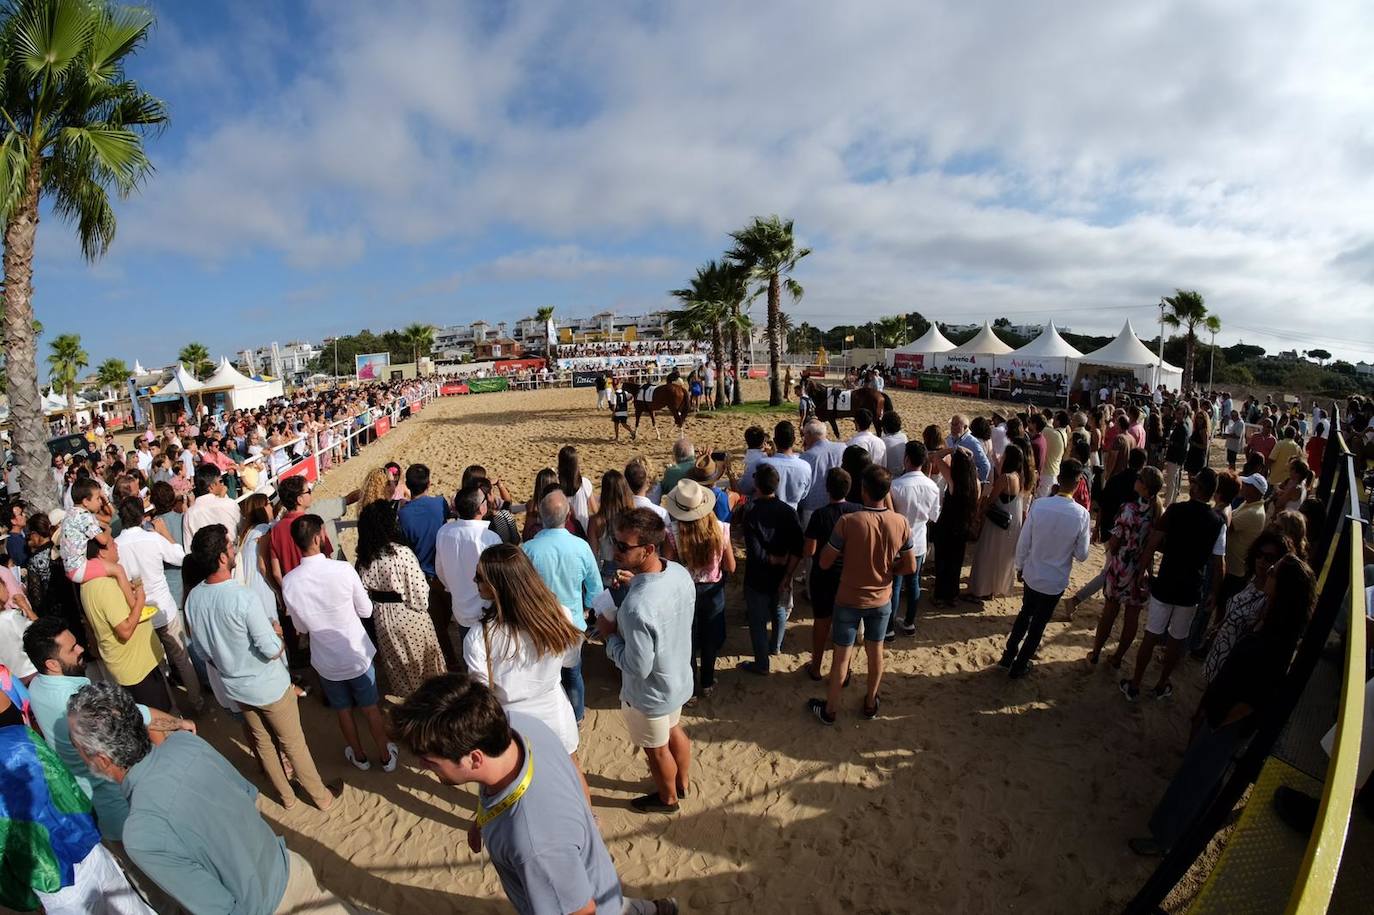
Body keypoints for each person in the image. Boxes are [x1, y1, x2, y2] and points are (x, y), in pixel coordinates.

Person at [391, 675, 678, 915]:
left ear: (474, 759)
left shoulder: (534, 843)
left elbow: (581, 912)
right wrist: (482, 821)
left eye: (430, 760)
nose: (422, 766)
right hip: (594, 880)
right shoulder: (517, 726)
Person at [65, 683, 362, 913]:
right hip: (291, 868)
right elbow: (248, 797)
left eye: (76, 746)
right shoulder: (185, 744)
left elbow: (216, 908)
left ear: (102, 760)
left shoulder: (141, 833)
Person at [1128, 555, 1315, 856]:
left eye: (1274, 571)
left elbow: (1257, 698)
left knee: (1197, 780)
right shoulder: (1271, 620)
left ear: (1284, 588)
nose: (1267, 572)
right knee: (1195, 775)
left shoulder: (1278, 643)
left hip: (1226, 724)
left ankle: (1164, 840)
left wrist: (1219, 720)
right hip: (1220, 712)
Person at [184, 524, 338, 811]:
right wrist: (277, 633)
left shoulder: (194, 598)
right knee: (293, 743)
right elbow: (270, 649)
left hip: (236, 686)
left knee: (264, 744)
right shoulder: (242, 597)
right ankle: (322, 797)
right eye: (230, 547)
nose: (234, 551)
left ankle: (288, 798)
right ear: (220, 557)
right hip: (268, 685)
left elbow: (203, 651)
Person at [0, 717, 155, 915]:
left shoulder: (20, 734)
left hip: (53, 884)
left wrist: (28, 901)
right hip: (87, 847)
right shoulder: (20, 734)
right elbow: (69, 787)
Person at [596, 508, 695, 814]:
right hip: (677, 678)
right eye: (615, 541)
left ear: (649, 549)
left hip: (650, 693)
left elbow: (637, 665)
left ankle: (667, 799)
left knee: (656, 750)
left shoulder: (637, 607)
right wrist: (635, 583)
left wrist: (609, 637)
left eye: (623, 546)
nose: (615, 550)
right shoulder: (678, 572)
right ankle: (683, 783)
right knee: (675, 729)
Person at [283, 514, 396, 772]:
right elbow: (366, 611)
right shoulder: (343, 569)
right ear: (318, 537)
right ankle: (385, 756)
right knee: (370, 708)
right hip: (356, 654)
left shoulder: (290, 582)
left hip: (325, 661)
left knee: (342, 711)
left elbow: (300, 628)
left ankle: (359, 756)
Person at [466, 545, 585, 787]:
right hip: (554, 712)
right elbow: (571, 661)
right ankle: (589, 821)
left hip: (512, 723)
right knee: (571, 773)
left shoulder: (479, 636)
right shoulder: (559, 614)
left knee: (519, 784)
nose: (474, 580)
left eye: (480, 577)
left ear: (498, 586)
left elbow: (481, 693)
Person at [809, 465, 914, 723]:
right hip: (881, 597)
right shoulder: (900, 522)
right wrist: (890, 571)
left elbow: (824, 561)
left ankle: (830, 709)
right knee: (875, 651)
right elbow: (910, 565)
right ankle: (870, 702)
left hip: (849, 597)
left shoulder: (849, 522)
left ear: (864, 490)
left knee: (842, 655)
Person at [1121, 468, 1226, 701]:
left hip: (1167, 581)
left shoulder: (1176, 511)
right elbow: (1219, 562)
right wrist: (1215, 592)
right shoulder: (1218, 522)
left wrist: (1141, 571)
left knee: (1152, 634)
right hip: (1191, 587)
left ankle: (1136, 683)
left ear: (1198, 488)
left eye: (1194, 481)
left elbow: (1152, 542)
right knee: (1176, 640)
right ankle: (1161, 684)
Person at [998, 460, 1092, 678]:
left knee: (1025, 615)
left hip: (1033, 573)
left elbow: (1024, 541)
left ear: (1059, 480)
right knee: (1038, 624)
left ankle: (1008, 655)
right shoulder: (1081, 515)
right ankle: (1020, 663)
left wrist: (1020, 566)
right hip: (1055, 580)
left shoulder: (1040, 505)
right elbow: (1082, 554)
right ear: (1078, 484)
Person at [112, 496, 203, 714]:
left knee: (158, 666)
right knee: (181, 658)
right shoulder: (152, 539)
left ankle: (171, 711)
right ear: (141, 516)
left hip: (139, 613)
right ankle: (197, 703)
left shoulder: (116, 546)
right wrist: (164, 534)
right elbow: (181, 557)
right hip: (163, 608)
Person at [356, 500, 446, 698]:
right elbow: (422, 596)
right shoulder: (402, 554)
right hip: (409, 615)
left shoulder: (364, 558)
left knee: (398, 669)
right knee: (427, 669)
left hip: (382, 620)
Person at [78, 535, 172, 711]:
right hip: (136, 668)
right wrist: (140, 601)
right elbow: (125, 630)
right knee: (158, 719)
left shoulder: (91, 582)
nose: (116, 546)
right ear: (101, 554)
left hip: (136, 663)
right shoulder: (103, 585)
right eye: (112, 544)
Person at [663, 480, 735, 699]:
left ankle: (691, 689)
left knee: (688, 641)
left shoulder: (672, 533)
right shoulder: (720, 529)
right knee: (710, 638)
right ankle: (707, 682)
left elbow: (667, 564)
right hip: (713, 590)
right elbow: (731, 566)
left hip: (686, 592)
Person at [1087, 466, 1164, 666]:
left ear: (1145, 486)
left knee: (1110, 612)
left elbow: (1115, 542)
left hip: (1122, 565)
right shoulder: (1157, 512)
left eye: (1139, 478)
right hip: (1142, 569)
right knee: (1132, 617)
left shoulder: (1130, 509)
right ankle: (1117, 657)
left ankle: (1096, 652)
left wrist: (1112, 551)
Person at [737, 463, 804, 675]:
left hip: (757, 575)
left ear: (756, 485)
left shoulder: (751, 512)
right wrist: (788, 573)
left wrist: (775, 560)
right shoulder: (787, 511)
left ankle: (761, 663)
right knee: (779, 610)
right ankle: (775, 646)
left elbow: (755, 553)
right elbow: (798, 548)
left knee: (757, 621)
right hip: (781, 573)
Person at [887, 441, 940, 636]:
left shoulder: (896, 485)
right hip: (918, 540)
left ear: (907, 459)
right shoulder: (932, 486)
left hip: (899, 541)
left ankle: (890, 627)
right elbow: (934, 516)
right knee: (914, 583)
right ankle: (909, 622)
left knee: (896, 584)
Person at [932, 449, 979, 607]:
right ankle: (952, 595)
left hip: (947, 524)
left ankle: (940, 596)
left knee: (942, 561)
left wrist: (954, 449)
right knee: (956, 562)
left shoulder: (953, 480)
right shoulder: (975, 483)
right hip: (963, 525)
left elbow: (937, 457)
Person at [799, 420, 847, 529]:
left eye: (804, 435)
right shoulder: (842, 447)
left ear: (809, 435)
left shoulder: (807, 456)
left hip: (813, 507)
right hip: (839, 505)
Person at [182, 464, 241, 548]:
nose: (222, 484)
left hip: (204, 559)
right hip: (231, 554)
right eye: (220, 481)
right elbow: (242, 529)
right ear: (211, 486)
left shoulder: (190, 513)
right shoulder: (229, 504)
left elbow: (188, 547)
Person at [762, 420, 813, 510]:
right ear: (794, 440)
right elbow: (804, 494)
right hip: (792, 513)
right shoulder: (805, 466)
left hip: (767, 513)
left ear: (774, 441)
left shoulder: (764, 464)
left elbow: (747, 488)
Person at [587, 469, 635, 564]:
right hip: (628, 566)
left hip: (607, 567)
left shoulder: (596, 521)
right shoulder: (632, 517)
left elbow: (593, 555)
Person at [558, 445, 598, 534]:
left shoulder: (557, 485)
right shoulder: (584, 483)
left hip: (563, 532)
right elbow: (594, 510)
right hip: (582, 532)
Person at [948, 414, 993, 484]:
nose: (952, 428)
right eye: (952, 424)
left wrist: (975, 484)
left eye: (956, 425)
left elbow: (985, 466)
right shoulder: (950, 438)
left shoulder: (972, 442)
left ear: (965, 427)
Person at [610, 376, 633, 440]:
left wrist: (613, 413)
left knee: (616, 424)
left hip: (617, 411)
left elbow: (614, 405)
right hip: (624, 411)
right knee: (624, 424)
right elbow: (630, 397)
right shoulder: (625, 392)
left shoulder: (614, 394)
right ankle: (631, 431)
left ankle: (617, 437)